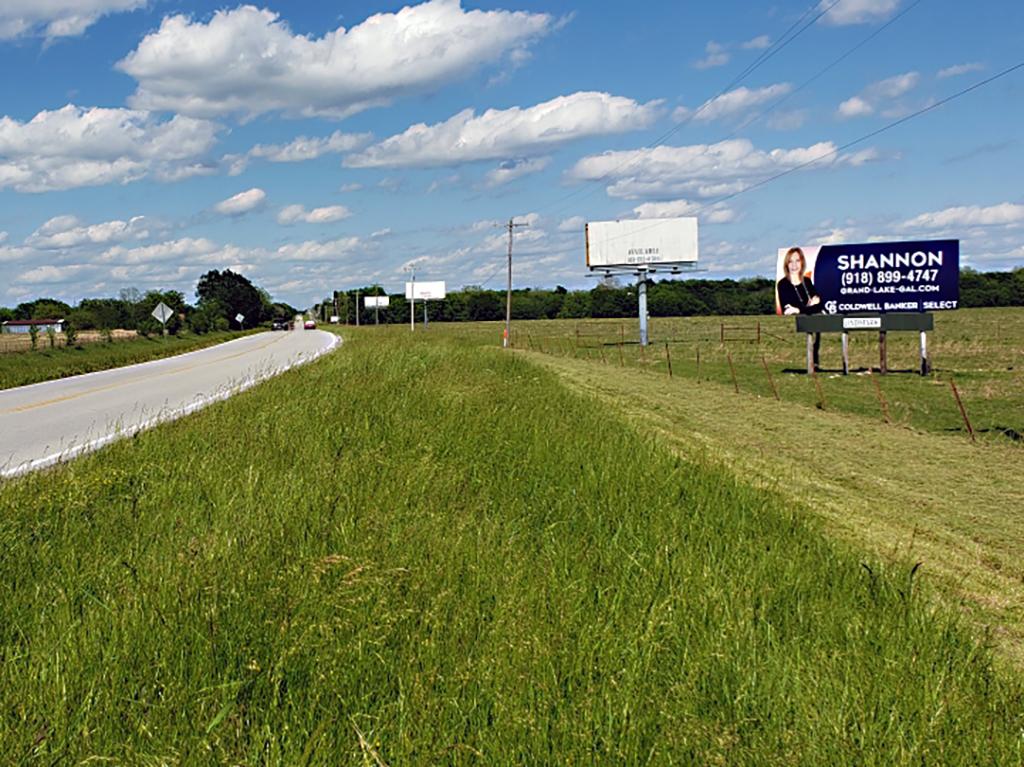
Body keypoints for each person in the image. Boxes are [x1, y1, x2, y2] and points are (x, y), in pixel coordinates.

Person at [777, 246, 823, 368]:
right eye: (790, 261)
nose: (794, 265)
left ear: (802, 262)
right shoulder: (783, 284)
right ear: (786, 264)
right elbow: (787, 310)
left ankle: (815, 362)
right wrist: (808, 307)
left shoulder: (807, 282)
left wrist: (799, 309)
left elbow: (819, 305)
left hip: (813, 322)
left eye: (797, 260)